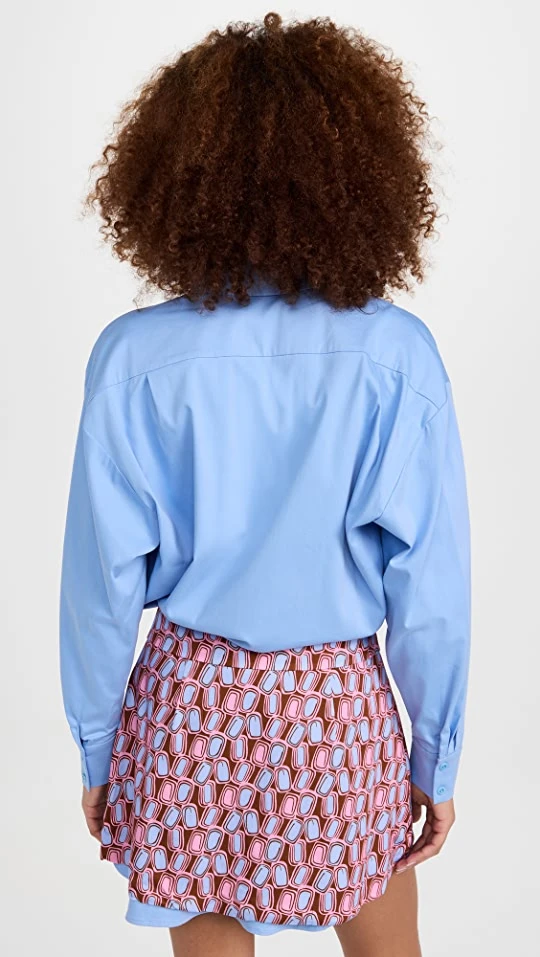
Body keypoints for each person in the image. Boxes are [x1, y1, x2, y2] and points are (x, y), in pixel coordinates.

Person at [59, 11, 471, 957]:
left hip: (188, 709)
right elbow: (432, 592)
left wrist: (97, 743)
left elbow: (98, 589)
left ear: (175, 176)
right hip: (336, 711)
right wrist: (436, 756)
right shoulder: (396, 356)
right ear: (362, 174)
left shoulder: (133, 359)